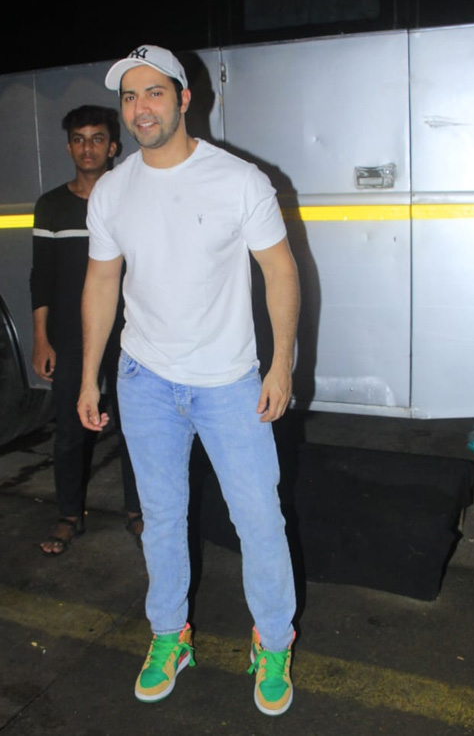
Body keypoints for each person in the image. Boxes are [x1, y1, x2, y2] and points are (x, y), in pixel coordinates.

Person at [77, 45, 300, 716]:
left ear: (184, 99)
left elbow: (281, 270)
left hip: (229, 381)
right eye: (129, 97)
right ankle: (169, 636)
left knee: (259, 520)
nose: (140, 108)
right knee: (162, 520)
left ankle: (273, 642)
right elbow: (101, 282)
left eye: (154, 93)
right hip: (145, 379)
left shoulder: (239, 180)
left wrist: (281, 363)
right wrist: (89, 377)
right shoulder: (112, 190)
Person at [31, 105, 143, 555]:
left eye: (97, 139)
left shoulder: (131, 199)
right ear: (69, 147)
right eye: (79, 139)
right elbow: (41, 276)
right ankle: (68, 516)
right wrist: (41, 339)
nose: (88, 148)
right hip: (70, 336)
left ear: (113, 146)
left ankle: (138, 510)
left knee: (137, 424)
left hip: (131, 333)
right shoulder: (51, 206)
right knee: (70, 428)